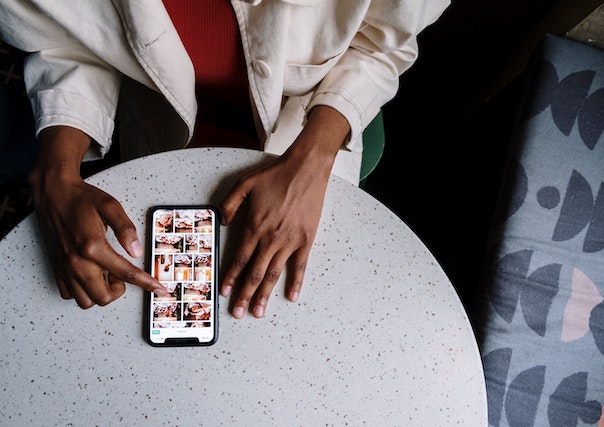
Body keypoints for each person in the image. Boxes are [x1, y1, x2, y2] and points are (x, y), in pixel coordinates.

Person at [0, 0, 450, 319]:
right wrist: (56, 172)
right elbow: (74, 42)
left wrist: (310, 165)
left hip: (312, 123)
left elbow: (381, 45)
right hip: (159, 121)